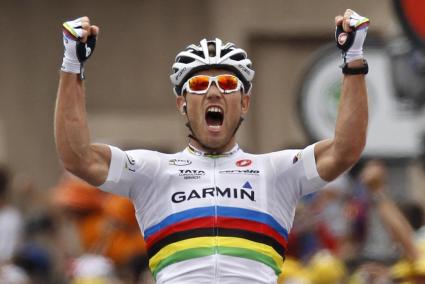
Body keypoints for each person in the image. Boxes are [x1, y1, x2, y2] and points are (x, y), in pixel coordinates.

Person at [54, 9, 369, 284]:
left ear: (244, 103)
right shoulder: (153, 170)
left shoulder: (275, 170)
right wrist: (72, 64)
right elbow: (77, 157)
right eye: (200, 85)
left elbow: (345, 149)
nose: (214, 93)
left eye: (229, 85)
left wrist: (353, 60)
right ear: (182, 103)